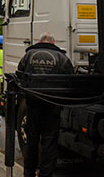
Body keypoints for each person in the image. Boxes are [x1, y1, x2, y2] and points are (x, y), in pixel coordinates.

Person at [17, 33, 74, 177]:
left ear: (40, 42)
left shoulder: (29, 55)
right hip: (52, 105)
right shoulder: (62, 57)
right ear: (53, 43)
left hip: (33, 104)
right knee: (49, 141)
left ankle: (29, 172)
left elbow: (19, 74)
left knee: (32, 139)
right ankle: (45, 173)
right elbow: (70, 77)